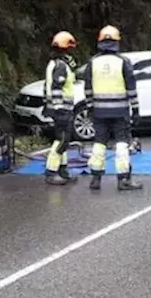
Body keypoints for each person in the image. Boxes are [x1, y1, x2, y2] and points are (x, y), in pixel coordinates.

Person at [82, 25, 141, 191]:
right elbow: (131, 89)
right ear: (116, 42)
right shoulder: (123, 62)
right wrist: (135, 110)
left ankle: (95, 178)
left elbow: (87, 89)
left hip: (99, 112)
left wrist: (90, 107)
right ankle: (123, 179)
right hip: (120, 111)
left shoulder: (92, 63)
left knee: (99, 143)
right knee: (122, 143)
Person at [43, 31, 79, 186]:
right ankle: (51, 172)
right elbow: (56, 87)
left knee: (63, 139)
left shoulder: (53, 63)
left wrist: (48, 104)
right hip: (62, 109)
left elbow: (47, 87)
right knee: (62, 141)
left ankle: (63, 171)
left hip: (58, 108)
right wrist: (59, 108)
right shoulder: (61, 66)